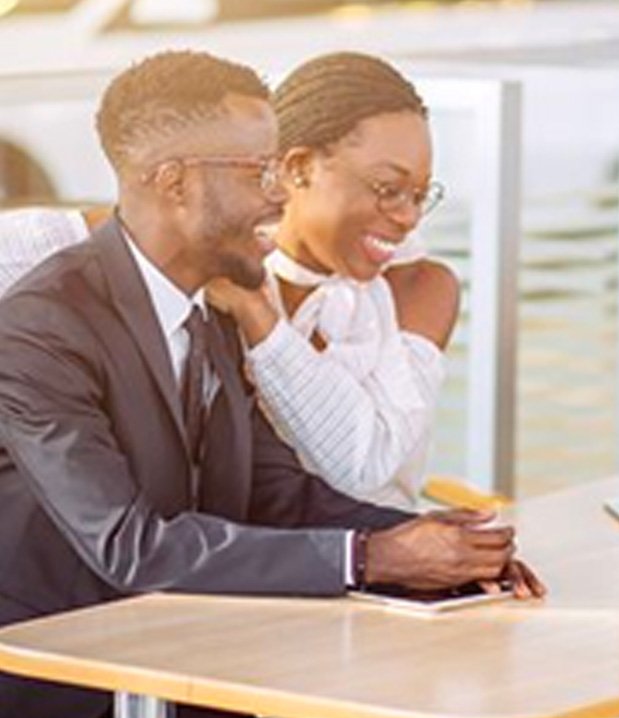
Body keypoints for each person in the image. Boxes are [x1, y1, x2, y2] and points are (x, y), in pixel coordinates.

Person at [0, 50, 541, 718]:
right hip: (61, 715)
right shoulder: (41, 325)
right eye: (259, 173)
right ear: (175, 182)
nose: (278, 199)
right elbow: (130, 545)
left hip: (195, 680)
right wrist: (372, 557)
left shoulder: (214, 303)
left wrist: (444, 548)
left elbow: (277, 490)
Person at [0, 54, 456, 506]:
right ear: (297, 168)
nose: (408, 218)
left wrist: (258, 318)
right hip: (238, 559)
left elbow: (361, 465)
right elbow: (90, 235)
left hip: (381, 553)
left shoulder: (418, 287)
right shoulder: (212, 254)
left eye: (420, 195)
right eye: (388, 189)